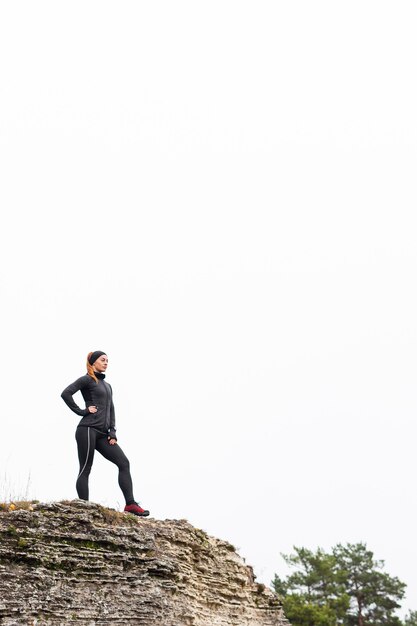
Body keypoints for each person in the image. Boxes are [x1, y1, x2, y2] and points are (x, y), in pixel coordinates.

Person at [61, 350, 149, 517]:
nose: (106, 363)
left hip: (103, 433)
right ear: (93, 362)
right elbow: (66, 393)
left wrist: (112, 431)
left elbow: (111, 409)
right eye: (103, 360)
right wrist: (82, 411)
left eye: (108, 360)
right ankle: (84, 507)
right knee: (85, 468)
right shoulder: (87, 379)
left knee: (123, 463)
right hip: (87, 429)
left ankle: (130, 504)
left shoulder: (107, 386)